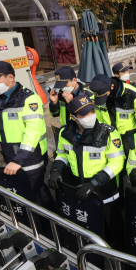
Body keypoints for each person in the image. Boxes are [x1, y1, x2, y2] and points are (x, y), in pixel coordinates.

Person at [48, 93, 126, 249]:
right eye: (84, 113)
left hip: (105, 193)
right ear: (74, 117)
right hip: (80, 191)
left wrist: (95, 182)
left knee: (113, 231)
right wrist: (55, 169)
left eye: (92, 111)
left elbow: (117, 162)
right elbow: (62, 154)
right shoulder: (65, 133)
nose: (90, 116)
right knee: (90, 229)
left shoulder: (108, 133)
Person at [0, 61, 50, 206]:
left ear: (10, 77)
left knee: (37, 196)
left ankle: (48, 226)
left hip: (30, 158)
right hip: (10, 158)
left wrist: (18, 160)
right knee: (22, 194)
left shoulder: (29, 99)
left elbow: (32, 132)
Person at [89, 73, 136, 152]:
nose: (103, 99)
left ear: (112, 87)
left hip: (129, 138)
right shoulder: (96, 96)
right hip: (108, 138)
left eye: (104, 96)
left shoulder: (134, 95)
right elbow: (97, 119)